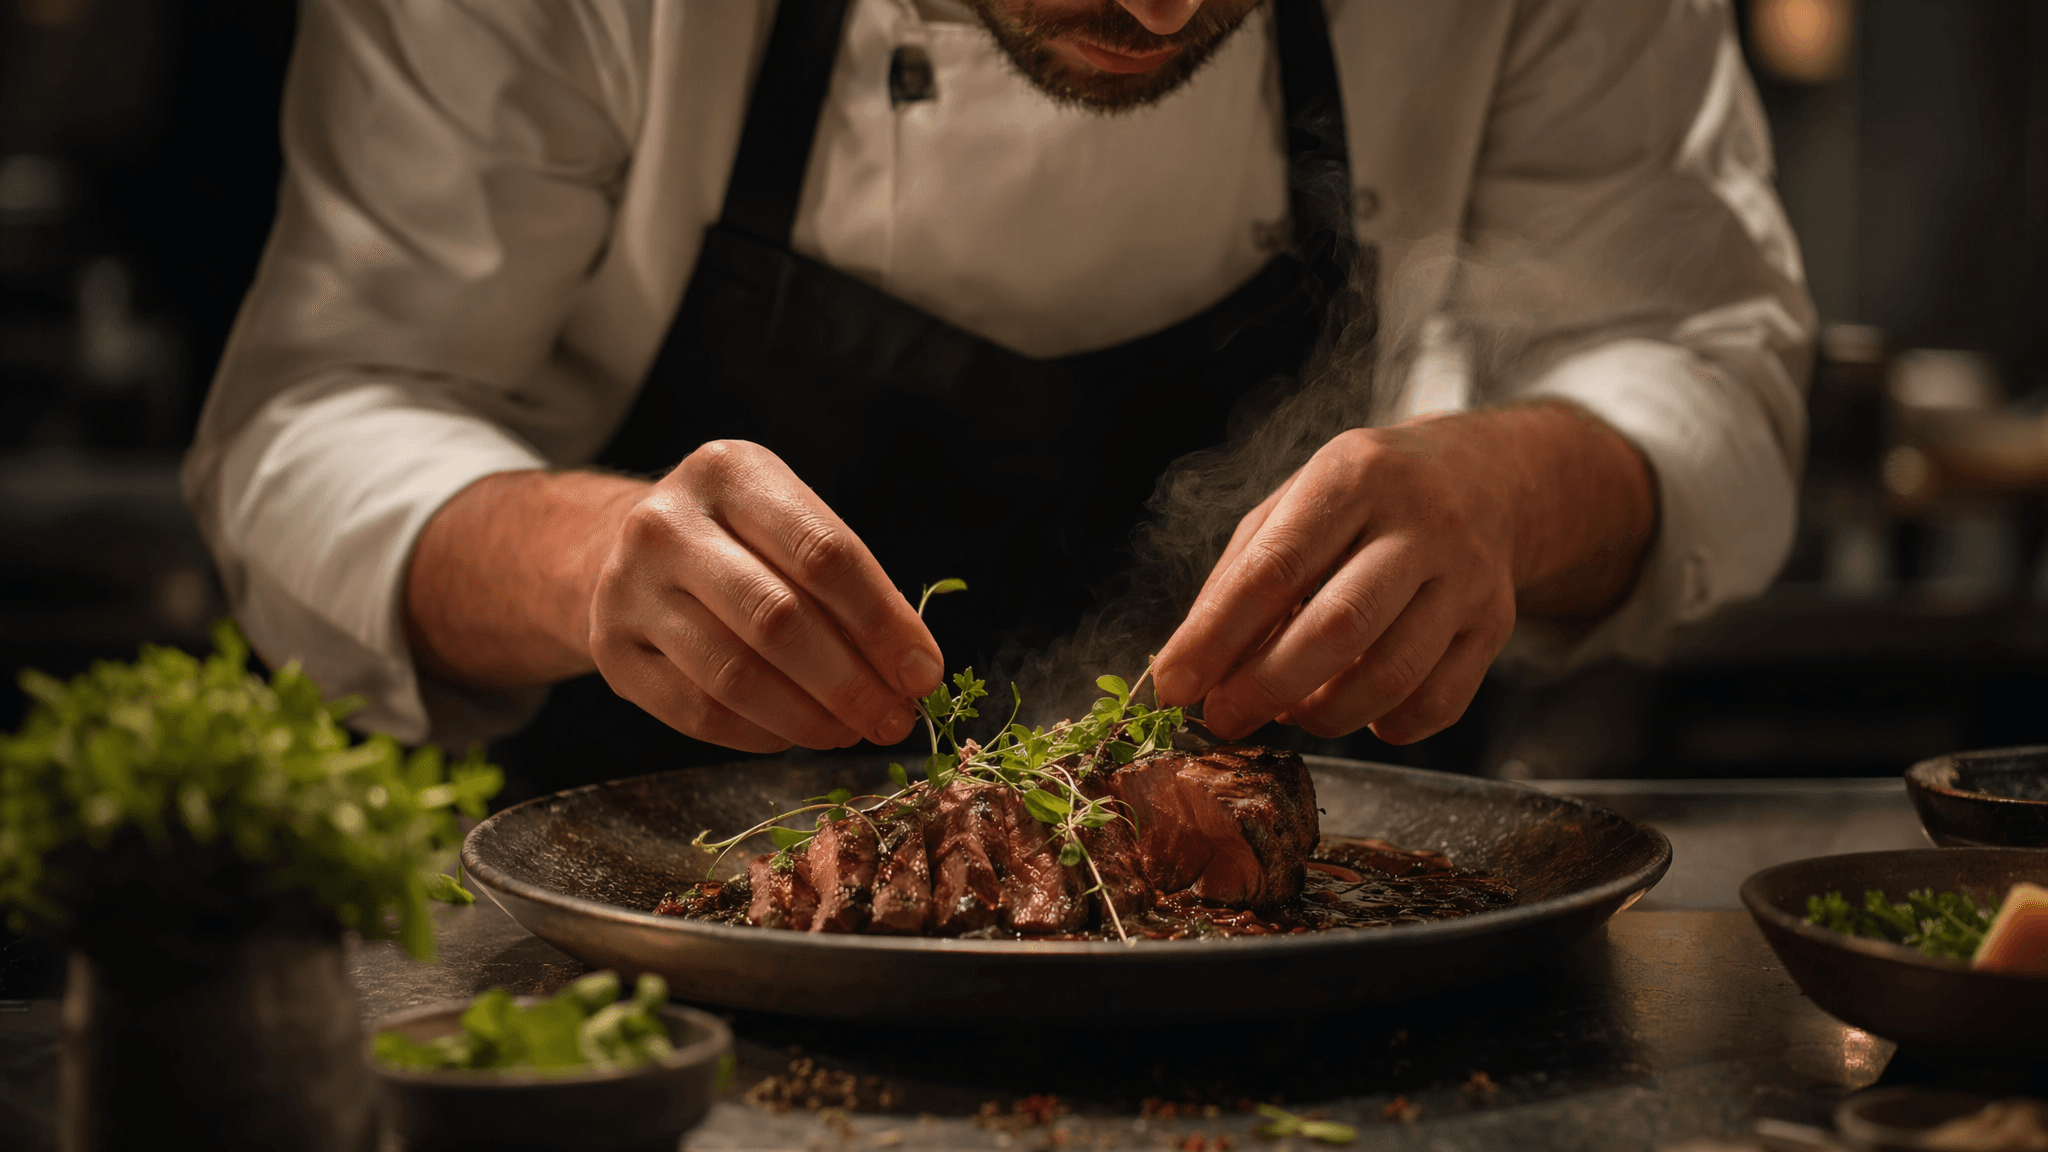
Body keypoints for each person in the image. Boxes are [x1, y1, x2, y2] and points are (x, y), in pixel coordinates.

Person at [183, 0, 1812, 789]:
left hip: (1325, 1037)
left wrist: (1510, 492)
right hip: (648, 1021)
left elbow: (1709, 361)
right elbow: (320, 414)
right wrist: (582, 560)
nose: (1160, 10)